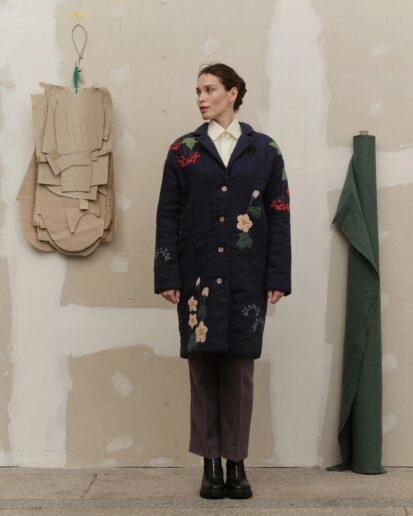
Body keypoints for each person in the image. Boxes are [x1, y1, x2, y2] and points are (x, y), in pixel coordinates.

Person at [154, 63, 291, 499]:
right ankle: (209, 463)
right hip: (196, 277)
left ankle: (236, 463)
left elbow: (279, 215)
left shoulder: (265, 150)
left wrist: (278, 275)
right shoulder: (184, 150)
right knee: (202, 370)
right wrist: (167, 273)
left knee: (239, 371)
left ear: (233, 93)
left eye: (210, 89)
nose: (201, 97)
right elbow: (167, 215)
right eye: (198, 90)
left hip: (247, 277)